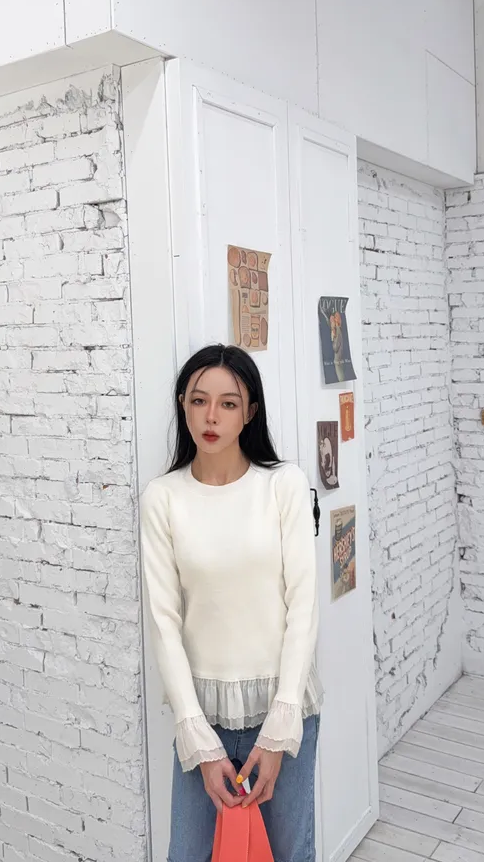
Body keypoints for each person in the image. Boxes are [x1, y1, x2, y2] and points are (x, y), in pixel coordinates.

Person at [140, 344, 322, 862]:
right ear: (183, 405)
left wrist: (279, 729)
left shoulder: (283, 485)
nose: (211, 417)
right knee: (187, 855)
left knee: (289, 854)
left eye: (228, 403)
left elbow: (303, 608)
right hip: (203, 716)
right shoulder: (162, 498)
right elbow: (164, 623)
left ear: (250, 412)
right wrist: (198, 741)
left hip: (283, 708)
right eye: (199, 401)